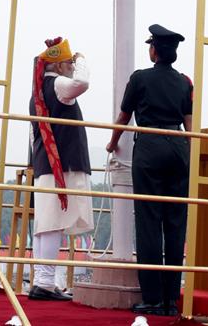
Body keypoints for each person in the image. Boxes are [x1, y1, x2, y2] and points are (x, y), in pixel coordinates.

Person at [106, 24, 192, 317]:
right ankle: (172, 299)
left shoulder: (140, 79)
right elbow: (188, 124)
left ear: (154, 51)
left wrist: (112, 143)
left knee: (149, 220)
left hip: (151, 147)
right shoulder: (184, 83)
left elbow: (124, 116)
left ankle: (154, 299)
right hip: (179, 148)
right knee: (176, 222)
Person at [28, 36, 93, 301]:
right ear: (60, 65)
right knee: (51, 223)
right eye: (68, 62)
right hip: (61, 162)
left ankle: (43, 280)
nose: (71, 65)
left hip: (46, 161)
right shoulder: (56, 85)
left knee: (46, 223)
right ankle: (44, 282)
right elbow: (82, 83)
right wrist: (82, 61)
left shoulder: (38, 90)